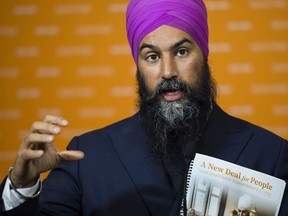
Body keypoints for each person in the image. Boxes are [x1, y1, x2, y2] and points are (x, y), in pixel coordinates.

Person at [1, 0, 288, 215]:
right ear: (138, 66)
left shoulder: (270, 155)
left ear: (205, 55)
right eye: (152, 56)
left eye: (181, 52)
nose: (167, 72)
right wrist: (22, 184)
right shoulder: (88, 159)